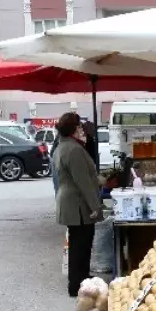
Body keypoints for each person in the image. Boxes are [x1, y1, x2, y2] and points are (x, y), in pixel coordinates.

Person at [54, 112, 103, 297]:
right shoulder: (73, 150)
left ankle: (81, 278)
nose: (82, 129)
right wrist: (95, 206)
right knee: (80, 244)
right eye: (80, 126)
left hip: (72, 201)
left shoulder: (65, 146)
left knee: (79, 243)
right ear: (74, 129)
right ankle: (77, 283)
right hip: (77, 203)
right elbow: (83, 181)